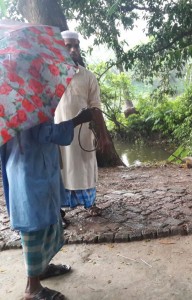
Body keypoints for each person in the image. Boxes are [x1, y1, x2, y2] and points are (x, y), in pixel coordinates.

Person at [0, 108, 95, 300]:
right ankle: (32, 288)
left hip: (30, 165)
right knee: (34, 227)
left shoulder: (13, 100)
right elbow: (45, 133)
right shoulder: (25, 104)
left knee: (46, 222)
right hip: (30, 170)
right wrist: (78, 119)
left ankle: (41, 269)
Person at [55, 30, 111, 222]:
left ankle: (90, 203)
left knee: (86, 169)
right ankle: (58, 210)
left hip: (83, 134)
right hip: (58, 133)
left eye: (75, 46)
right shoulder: (52, 76)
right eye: (68, 46)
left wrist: (103, 136)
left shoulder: (88, 77)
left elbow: (96, 108)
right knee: (60, 171)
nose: (73, 50)